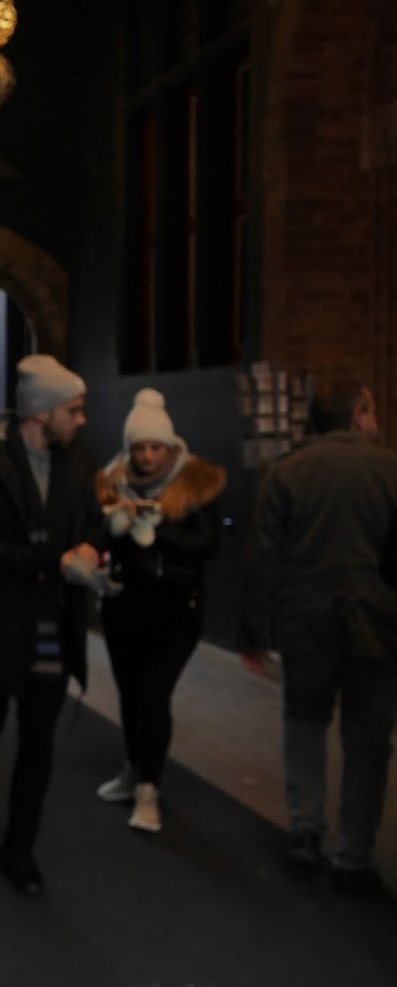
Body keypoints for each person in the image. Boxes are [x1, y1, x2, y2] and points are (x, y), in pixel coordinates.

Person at [0, 354, 107, 895]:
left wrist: (93, 546)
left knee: (39, 743)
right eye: (75, 409)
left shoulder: (80, 467)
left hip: (52, 626)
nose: (82, 419)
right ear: (43, 412)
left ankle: (20, 849)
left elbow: (92, 526)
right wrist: (49, 562)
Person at [240, 379, 397, 893]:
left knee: (304, 722)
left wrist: (256, 630)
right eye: (372, 409)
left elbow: (263, 558)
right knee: (368, 739)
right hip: (378, 623)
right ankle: (355, 853)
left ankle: (306, 827)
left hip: (305, 621)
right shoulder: (390, 470)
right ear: (358, 414)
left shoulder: (287, 473)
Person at [93, 389, 226, 834]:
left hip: (175, 612)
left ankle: (150, 787)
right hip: (124, 608)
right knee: (130, 694)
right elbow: (100, 541)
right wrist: (112, 531)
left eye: (155, 447)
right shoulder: (112, 482)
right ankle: (134, 769)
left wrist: (159, 535)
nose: (148, 457)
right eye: (139, 448)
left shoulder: (195, 485)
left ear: (171, 448)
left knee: (153, 695)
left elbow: (208, 546)